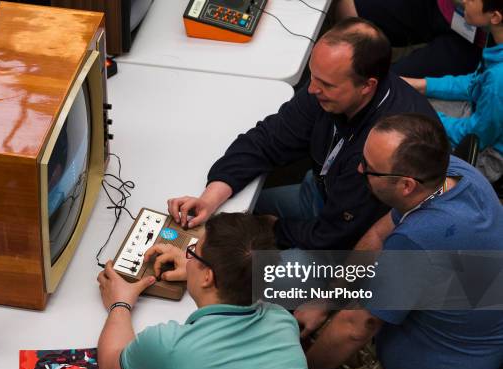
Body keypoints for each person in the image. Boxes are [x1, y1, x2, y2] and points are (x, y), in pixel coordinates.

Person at [295, 113, 503, 369]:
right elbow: (380, 235)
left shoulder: (421, 238)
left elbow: (357, 327)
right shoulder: (453, 175)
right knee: (302, 335)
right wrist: (326, 301)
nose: (359, 168)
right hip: (420, 338)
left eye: (369, 169)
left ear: (406, 185)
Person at [167, 18, 436, 251]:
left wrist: (274, 228)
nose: (311, 89)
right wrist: (210, 197)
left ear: (367, 85)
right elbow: (269, 139)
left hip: (347, 245)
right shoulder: (327, 91)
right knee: (227, 219)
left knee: (239, 276)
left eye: (325, 84)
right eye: (313, 76)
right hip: (320, 194)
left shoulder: (383, 148)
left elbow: (334, 237)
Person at [96, 213, 317, 369]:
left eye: (192, 253)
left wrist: (120, 303)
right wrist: (199, 270)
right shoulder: (282, 320)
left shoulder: (168, 345)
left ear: (208, 277)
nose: (187, 259)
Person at [403, 0, 503, 182]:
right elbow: (475, 83)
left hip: (489, 155)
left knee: (405, 137)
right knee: (408, 104)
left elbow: (477, 135)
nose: (463, 1)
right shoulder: (497, 48)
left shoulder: (498, 79)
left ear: (495, 16)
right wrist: (422, 85)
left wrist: (428, 116)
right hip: (479, 117)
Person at [333, 0, 486, 78]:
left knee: (389, 79)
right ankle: (342, 68)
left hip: (476, 41)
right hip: (440, 7)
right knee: (347, 7)